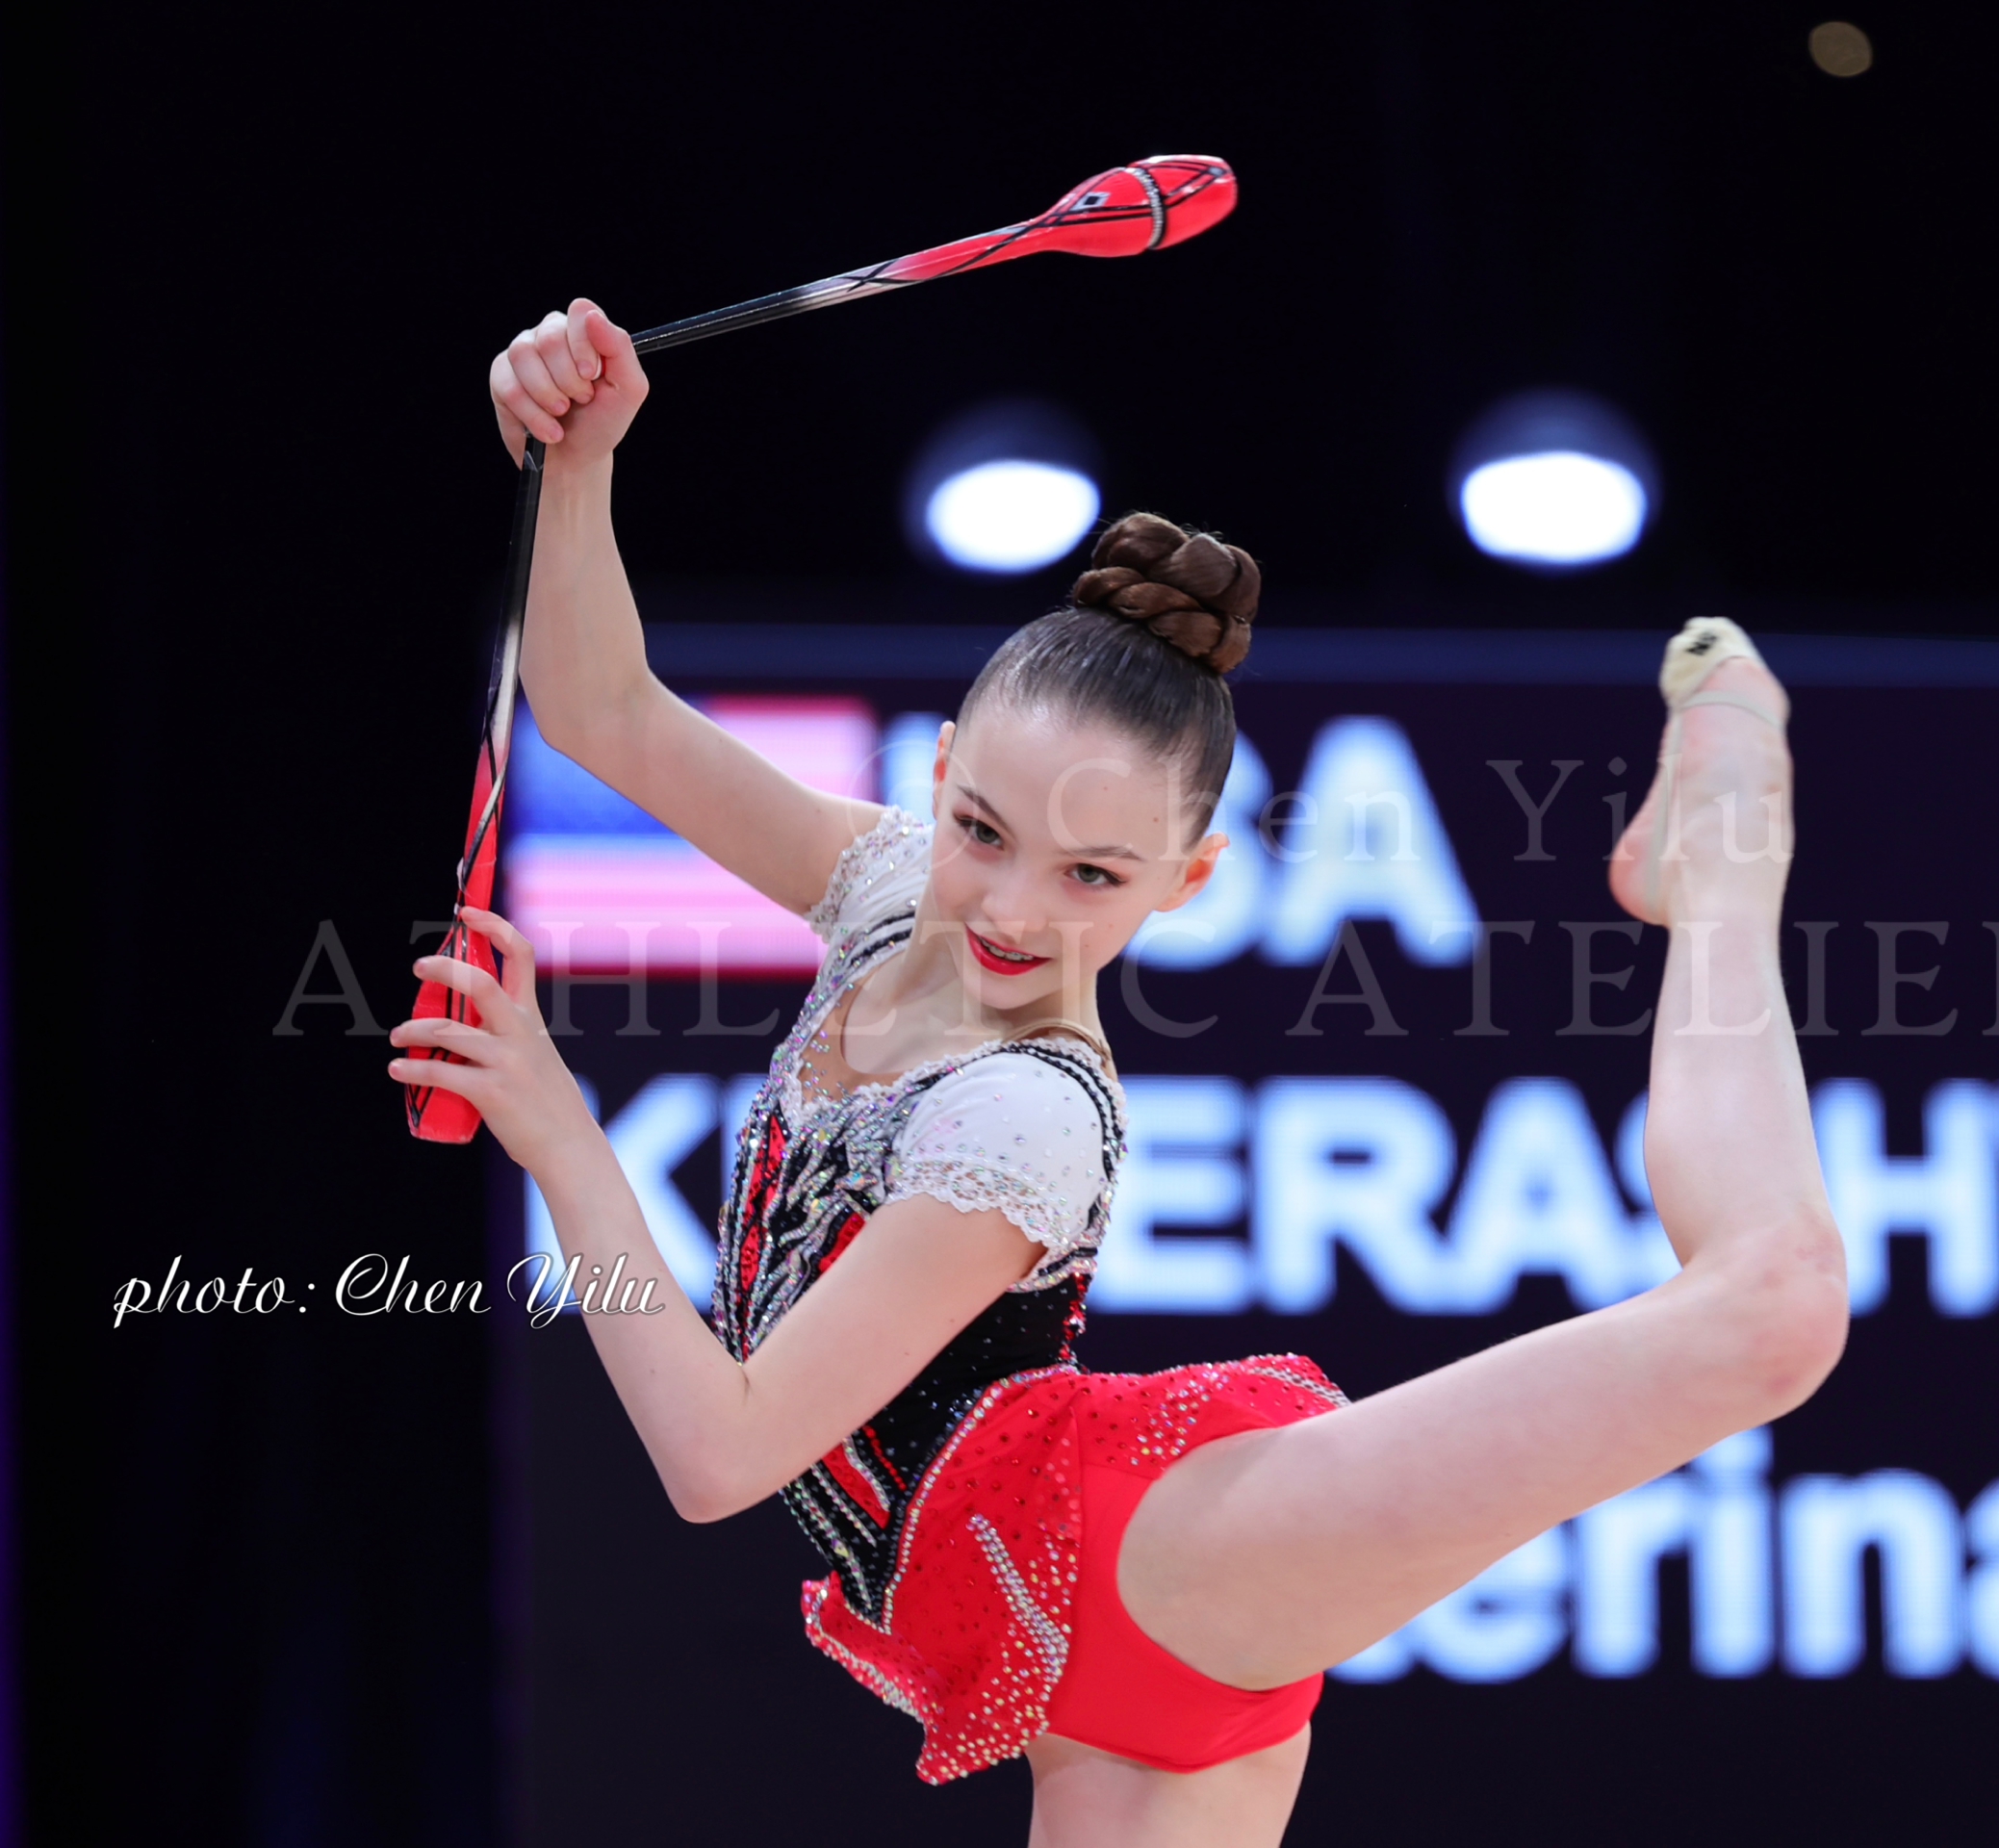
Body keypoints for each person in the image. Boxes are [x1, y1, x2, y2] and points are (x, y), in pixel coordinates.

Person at [393, 298, 1849, 1846]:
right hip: (1061, 1669)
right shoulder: (883, 887)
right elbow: (601, 708)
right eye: (983, 832)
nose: (1014, 911)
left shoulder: (1021, 1117)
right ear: (938, 775)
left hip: (1166, 1567)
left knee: (1775, 1312)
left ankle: (1725, 847)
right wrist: (580, 466)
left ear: (1188, 882)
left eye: (1093, 875)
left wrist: (559, 1130)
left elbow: (722, 1453)